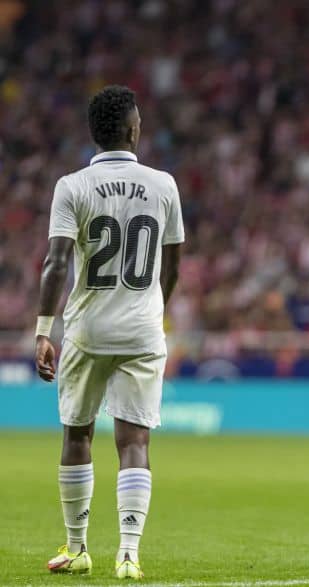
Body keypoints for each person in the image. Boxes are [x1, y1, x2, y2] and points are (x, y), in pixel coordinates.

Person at [35, 85, 184, 578]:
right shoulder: (163, 184)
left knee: (77, 434)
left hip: (87, 329)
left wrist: (42, 330)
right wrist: (153, 312)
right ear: (132, 129)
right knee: (133, 440)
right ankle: (128, 554)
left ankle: (77, 548)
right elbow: (173, 264)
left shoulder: (71, 186)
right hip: (142, 331)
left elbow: (56, 264)